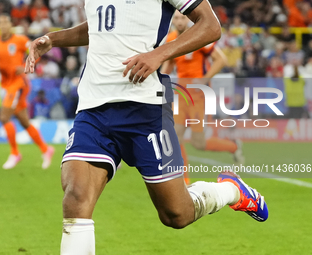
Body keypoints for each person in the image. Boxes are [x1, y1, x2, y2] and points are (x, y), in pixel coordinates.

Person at [25, 1, 269, 254]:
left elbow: (210, 25)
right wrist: (54, 39)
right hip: (93, 107)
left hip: (144, 108)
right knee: (76, 198)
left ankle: (231, 189)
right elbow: (101, 27)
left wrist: (159, 54)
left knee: (176, 214)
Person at [162, 11, 244, 185]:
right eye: (176, 18)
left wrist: (205, 79)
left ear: (188, 18)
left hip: (198, 97)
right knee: (176, 138)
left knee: (198, 143)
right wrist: (159, 79)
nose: (179, 21)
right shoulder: (171, 38)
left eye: (182, 17)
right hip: (181, 95)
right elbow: (169, 63)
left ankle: (233, 146)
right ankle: (184, 182)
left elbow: (221, 60)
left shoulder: (198, 37)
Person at [0, 13, 54, 169]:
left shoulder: (20, 40)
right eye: (0, 23)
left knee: (4, 117)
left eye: (5, 23)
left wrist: (25, 66)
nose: (3, 26)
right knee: (24, 122)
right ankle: (46, 149)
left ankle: (15, 153)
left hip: (19, 84)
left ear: (11, 25)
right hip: (6, 84)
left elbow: (36, 51)